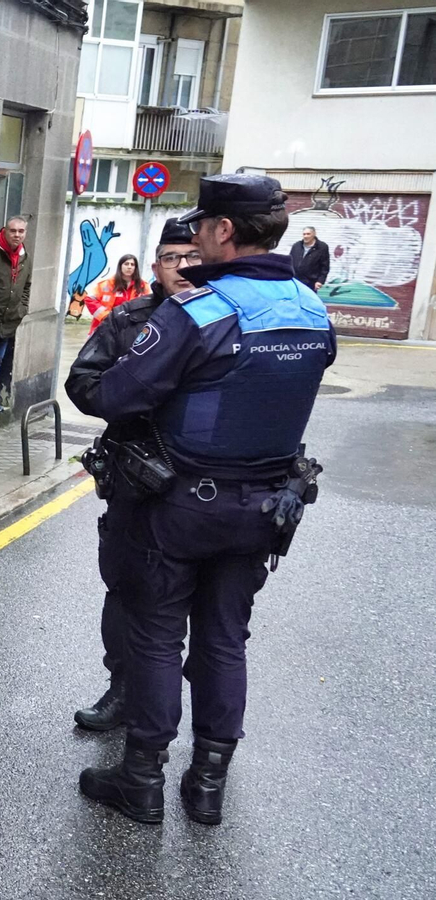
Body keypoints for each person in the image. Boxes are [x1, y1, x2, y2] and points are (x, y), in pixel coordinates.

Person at [78, 174, 335, 827]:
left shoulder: (200, 310)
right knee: (225, 639)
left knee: (158, 636)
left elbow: (113, 397)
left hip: (184, 507)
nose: (193, 237)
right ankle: (208, 785)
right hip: (267, 510)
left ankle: (141, 782)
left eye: (201, 226)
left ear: (224, 231)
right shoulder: (312, 308)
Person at [64, 221, 199, 732]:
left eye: (192, 255)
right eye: (171, 257)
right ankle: (121, 691)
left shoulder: (226, 320)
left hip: (204, 486)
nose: (183, 268)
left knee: (205, 611)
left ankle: (202, 721)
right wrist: (137, 392)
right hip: (136, 481)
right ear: (154, 264)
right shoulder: (129, 320)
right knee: (124, 589)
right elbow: (83, 382)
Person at [0, 216, 31, 416]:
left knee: (0, 359)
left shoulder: (24, 256)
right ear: (5, 231)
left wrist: (22, 308)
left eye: (21, 231)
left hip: (11, 318)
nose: (17, 235)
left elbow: (26, 285)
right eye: (13, 231)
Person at [84, 254, 149, 334]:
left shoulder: (143, 286)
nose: (129, 267)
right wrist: (106, 316)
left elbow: (148, 306)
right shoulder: (107, 284)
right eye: (126, 264)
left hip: (131, 329)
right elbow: (89, 299)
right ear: (120, 266)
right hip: (106, 328)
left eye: (132, 264)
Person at [289, 225, 331, 291]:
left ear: (314, 234)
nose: (305, 236)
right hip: (296, 281)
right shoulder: (297, 246)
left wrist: (320, 281)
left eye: (308, 234)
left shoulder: (322, 247)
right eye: (304, 234)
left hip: (311, 282)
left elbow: (325, 266)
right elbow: (290, 261)